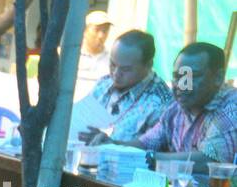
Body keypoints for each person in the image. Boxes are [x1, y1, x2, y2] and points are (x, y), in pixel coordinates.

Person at [86, 42, 237, 172]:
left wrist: (150, 158)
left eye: (193, 76)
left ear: (218, 78)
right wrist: (113, 145)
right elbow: (146, 143)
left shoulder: (230, 107)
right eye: (177, 76)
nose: (182, 85)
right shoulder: (177, 108)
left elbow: (209, 161)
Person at [73, 30, 172, 143]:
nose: (116, 73)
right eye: (112, 64)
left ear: (148, 65)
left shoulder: (162, 102)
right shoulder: (104, 83)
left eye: (126, 69)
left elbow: (153, 151)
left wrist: (112, 144)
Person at [76, 10, 113, 99]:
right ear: (84, 30)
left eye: (105, 31)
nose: (101, 35)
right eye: (96, 30)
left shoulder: (113, 60)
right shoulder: (71, 56)